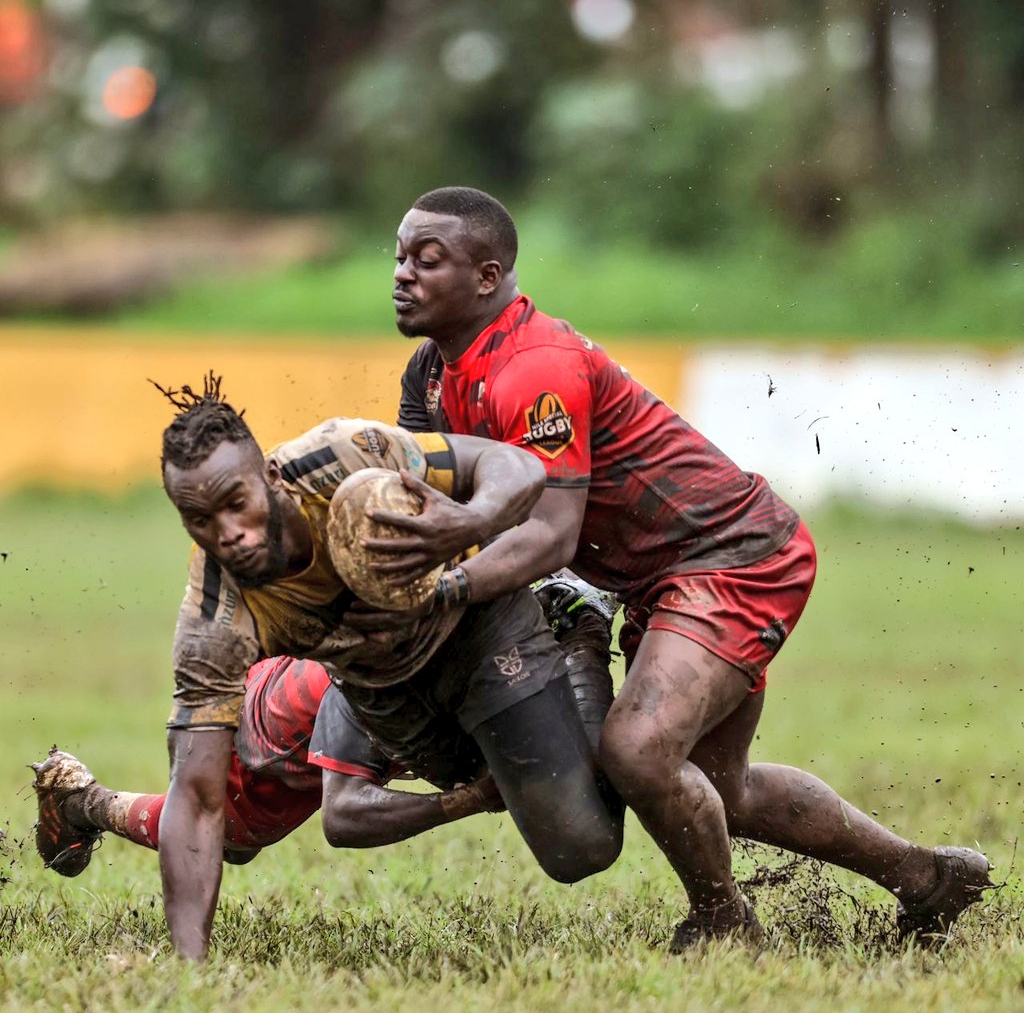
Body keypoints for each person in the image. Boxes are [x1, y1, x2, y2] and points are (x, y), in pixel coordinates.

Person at [368, 185, 992, 949]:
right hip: (664, 578)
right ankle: (927, 877)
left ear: (489, 276)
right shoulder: (430, 374)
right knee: (722, 788)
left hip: (732, 557)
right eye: (399, 257)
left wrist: (444, 589)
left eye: (426, 261)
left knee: (637, 749)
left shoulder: (534, 369)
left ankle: (724, 923)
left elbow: (555, 538)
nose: (402, 274)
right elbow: (420, 501)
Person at [120, 376, 622, 960]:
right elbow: (198, 797)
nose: (226, 534)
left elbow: (514, 465)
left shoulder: (345, 458)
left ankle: (577, 623)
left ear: (272, 479)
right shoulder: (215, 619)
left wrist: (467, 524)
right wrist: (190, 967)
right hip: (384, 695)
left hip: (479, 624)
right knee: (501, 792)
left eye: (236, 503)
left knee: (583, 848)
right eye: (199, 520)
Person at [32, 579, 618, 874]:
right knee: (225, 842)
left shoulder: (486, 639)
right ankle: (84, 802)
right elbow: (343, 817)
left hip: (312, 697)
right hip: (257, 742)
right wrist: (470, 799)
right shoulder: (372, 674)